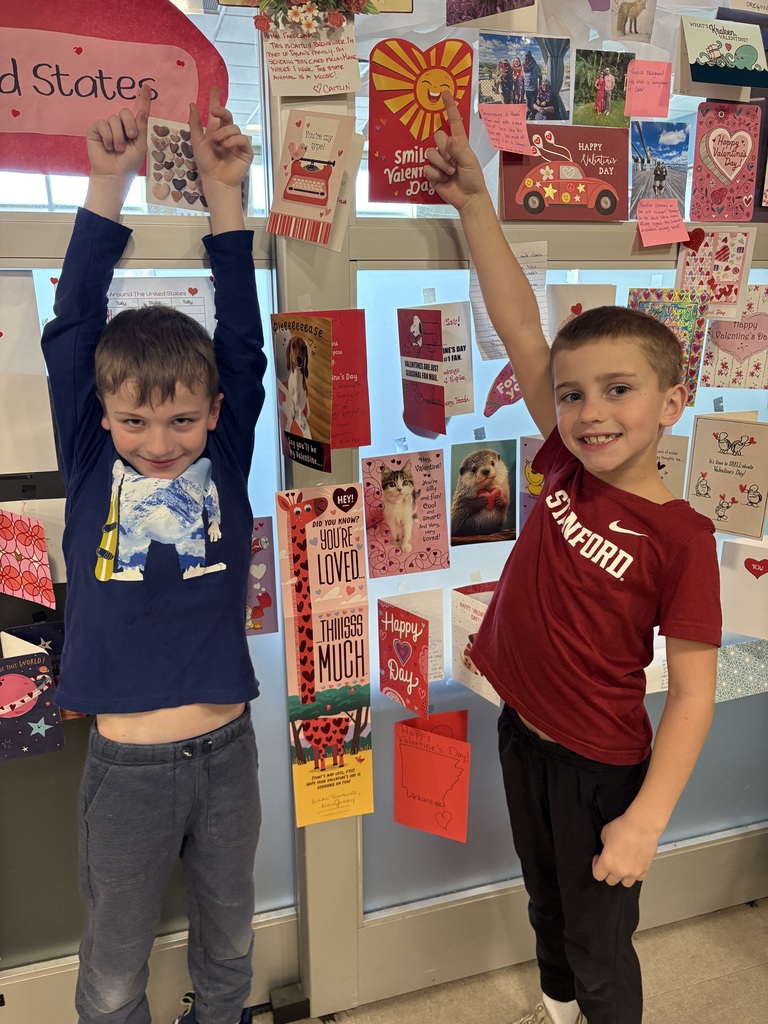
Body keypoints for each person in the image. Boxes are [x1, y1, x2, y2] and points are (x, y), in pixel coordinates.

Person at [425, 93, 721, 1024]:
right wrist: (477, 204)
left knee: (600, 947)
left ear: (673, 401)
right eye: (574, 394)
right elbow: (522, 328)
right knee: (545, 909)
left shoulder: (682, 536)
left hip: (603, 768)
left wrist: (645, 821)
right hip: (525, 735)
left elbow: (697, 694)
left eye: (619, 391)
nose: (591, 412)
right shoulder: (562, 462)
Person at [41, 83, 267, 1024]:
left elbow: (244, 349)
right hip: (126, 770)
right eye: (137, 418)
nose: (161, 439)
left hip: (226, 753)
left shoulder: (224, 445)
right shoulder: (94, 454)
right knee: (114, 969)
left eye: (181, 418)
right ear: (104, 416)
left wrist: (227, 200)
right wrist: (105, 184)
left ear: (213, 416)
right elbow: (71, 334)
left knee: (231, 945)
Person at [523, 50, 542, 118]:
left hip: (533, 88)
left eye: (528, 56)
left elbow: (540, 76)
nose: (526, 57)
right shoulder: (524, 66)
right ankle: (528, 113)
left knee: (533, 103)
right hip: (526, 88)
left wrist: (540, 87)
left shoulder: (535, 66)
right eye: (525, 56)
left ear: (531, 56)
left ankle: (532, 115)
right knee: (528, 103)